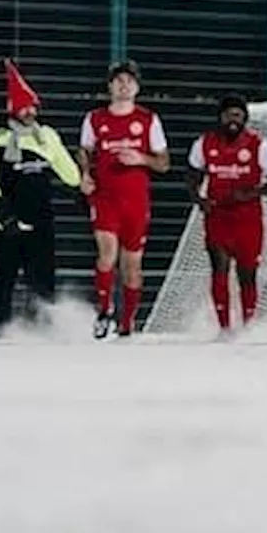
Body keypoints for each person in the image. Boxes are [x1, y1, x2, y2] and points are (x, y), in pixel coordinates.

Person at [0, 59, 81, 336]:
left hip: (41, 220)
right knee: (1, 280)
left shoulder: (47, 137)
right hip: (6, 223)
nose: (29, 112)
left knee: (42, 280)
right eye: (24, 107)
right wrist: (4, 215)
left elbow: (70, 173)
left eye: (33, 106)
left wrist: (81, 186)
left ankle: (41, 329)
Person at [78, 59, 171, 339]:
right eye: (119, 81)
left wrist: (141, 158)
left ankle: (127, 322)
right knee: (107, 253)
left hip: (136, 202)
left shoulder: (147, 119)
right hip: (106, 198)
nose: (124, 86)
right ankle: (104, 309)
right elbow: (84, 150)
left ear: (137, 87)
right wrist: (84, 174)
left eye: (129, 81)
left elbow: (164, 163)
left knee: (132, 265)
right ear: (110, 86)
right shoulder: (95, 118)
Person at [186, 94, 267, 335]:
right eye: (229, 114)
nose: (233, 119)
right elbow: (192, 174)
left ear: (245, 119)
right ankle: (224, 328)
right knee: (219, 268)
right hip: (217, 215)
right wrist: (199, 199)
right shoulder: (204, 143)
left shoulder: (258, 145)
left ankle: (248, 325)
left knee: (247, 274)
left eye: (238, 115)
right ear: (220, 117)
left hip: (248, 219)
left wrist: (253, 193)